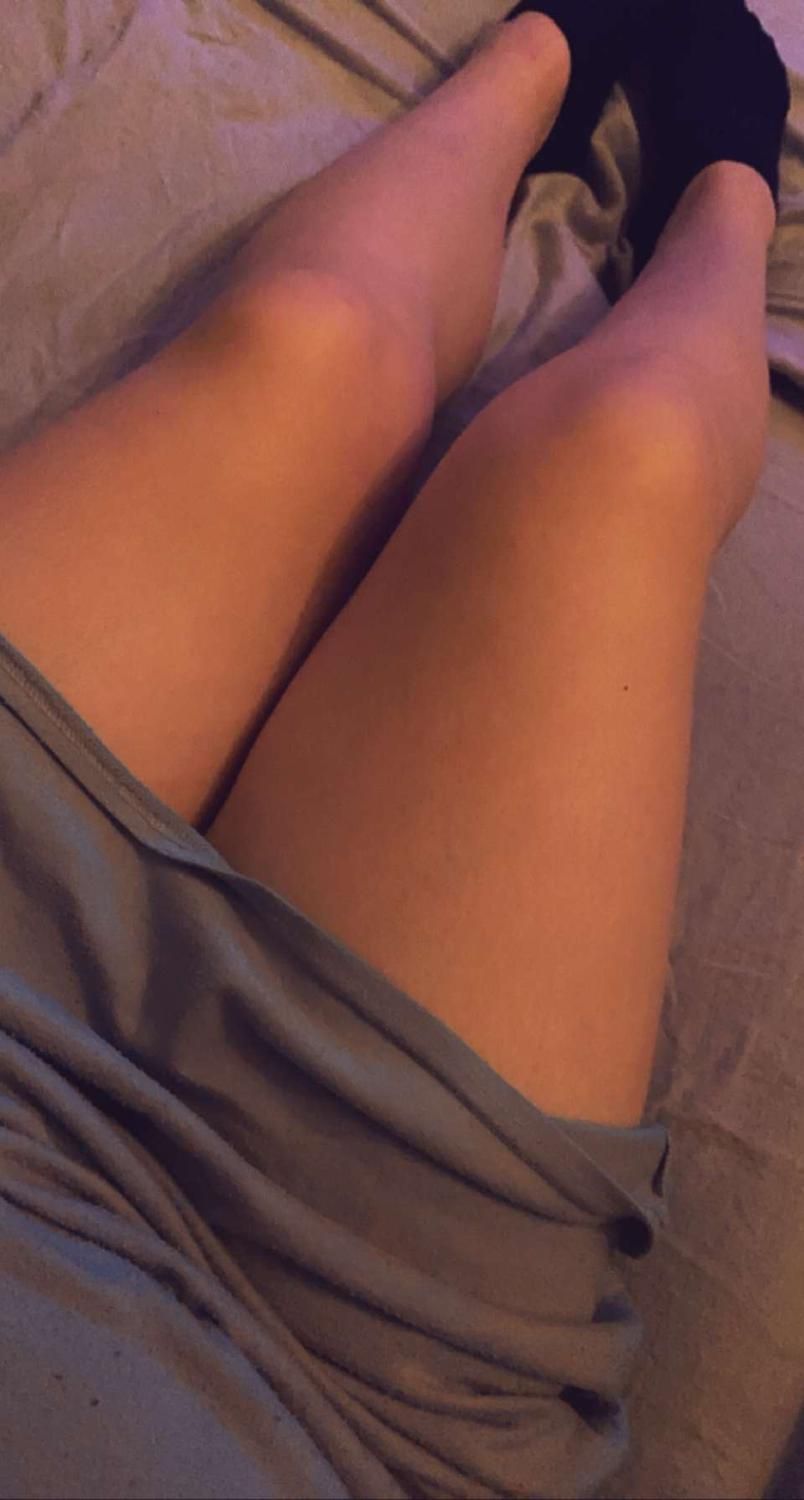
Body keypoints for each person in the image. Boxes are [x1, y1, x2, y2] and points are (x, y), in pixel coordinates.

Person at [0, 1, 790, 1496]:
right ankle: (731, 197)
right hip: (331, 1384)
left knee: (307, 344)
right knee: (618, 463)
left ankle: (538, 63)